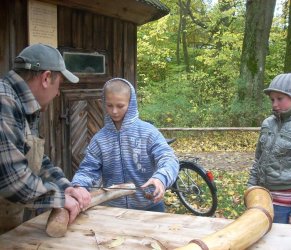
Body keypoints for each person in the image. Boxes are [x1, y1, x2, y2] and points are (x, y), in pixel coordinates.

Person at [0, 44, 91, 234]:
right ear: (46, 78)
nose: (58, 93)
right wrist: (58, 198)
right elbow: (12, 181)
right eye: (59, 85)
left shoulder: (23, 104)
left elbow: (36, 162)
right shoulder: (4, 102)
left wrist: (65, 188)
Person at [72, 78, 179, 212]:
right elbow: (88, 169)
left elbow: (168, 158)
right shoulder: (99, 139)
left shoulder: (148, 132)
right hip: (114, 211)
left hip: (151, 207)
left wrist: (161, 178)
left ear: (131, 103)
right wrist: (79, 185)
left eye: (120, 106)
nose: (114, 111)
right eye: (109, 106)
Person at [248, 73, 291, 226]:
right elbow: (258, 160)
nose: (274, 104)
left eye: (280, 99)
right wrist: (250, 189)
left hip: (287, 204)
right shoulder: (268, 123)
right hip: (262, 197)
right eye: (272, 99)